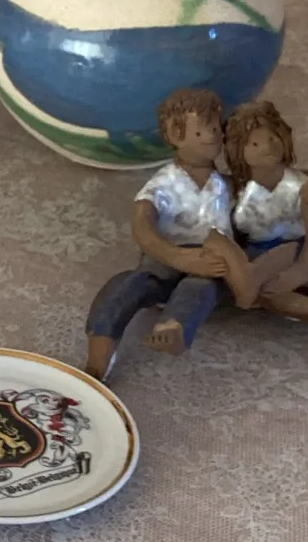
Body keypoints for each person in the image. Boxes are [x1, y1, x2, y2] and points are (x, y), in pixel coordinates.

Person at [84, 87, 253, 381]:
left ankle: (173, 327)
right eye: (201, 132)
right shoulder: (165, 183)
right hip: (165, 259)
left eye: (216, 128)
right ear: (176, 135)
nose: (213, 136)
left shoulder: (224, 183)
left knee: (199, 287)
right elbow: (142, 225)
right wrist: (177, 257)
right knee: (128, 285)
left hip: (213, 262)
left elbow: (266, 193)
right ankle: (99, 356)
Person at [224, 98, 308, 324]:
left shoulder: (302, 187)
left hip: (304, 252)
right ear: (238, 150)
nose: (267, 148)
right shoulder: (237, 189)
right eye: (254, 144)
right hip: (261, 259)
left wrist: (301, 271)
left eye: (273, 138)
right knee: (276, 296)